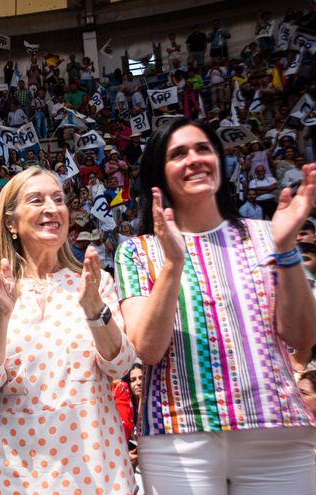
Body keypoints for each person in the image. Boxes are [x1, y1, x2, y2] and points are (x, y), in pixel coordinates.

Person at [115, 119, 316, 494]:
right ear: (159, 172)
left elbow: (302, 335)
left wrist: (286, 249)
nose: (194, 160)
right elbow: (148, 349)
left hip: (278, 434)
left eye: (203, 149)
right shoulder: (138, 251)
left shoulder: (268, 233)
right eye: (178, 154)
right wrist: (173, 264)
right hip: (180, 440)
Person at [0, 168, 137, 494]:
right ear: (11, 223)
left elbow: (120, 365)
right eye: (37, 200)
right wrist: (3, 315)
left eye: (58, 199)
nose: (52, 208)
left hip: (95, 470)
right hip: (14, 472)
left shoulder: (95, 282)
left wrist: (93, 311)